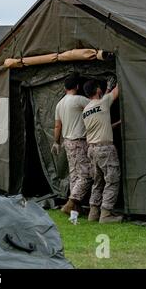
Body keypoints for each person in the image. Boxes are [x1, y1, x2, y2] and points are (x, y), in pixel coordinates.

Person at [82, 78, 123, 223]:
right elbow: (117, 90)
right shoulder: (103, 102)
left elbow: (99, 126)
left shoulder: (86, 110)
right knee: (112, 180)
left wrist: (116, 125)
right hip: (105, 149)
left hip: (92, 150)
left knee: (98, 182)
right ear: (98, 90)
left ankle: (93, 213)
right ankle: (106, 214)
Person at [52, 73, 92, 215]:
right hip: (79, 141)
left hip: (67, 142)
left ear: (65, 88)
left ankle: (76, 207)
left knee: (74, 174)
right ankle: (71, 202)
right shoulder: (79, 100)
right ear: (77, 86)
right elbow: (97, 105)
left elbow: (57, 126)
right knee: (86, 175)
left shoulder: (60, 104)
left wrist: (56, 142)